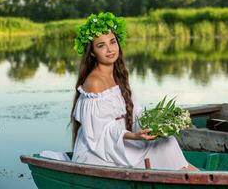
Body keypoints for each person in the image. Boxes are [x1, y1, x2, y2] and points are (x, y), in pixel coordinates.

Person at [70, 12, 197, 171]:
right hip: (102, 149)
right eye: (101, 45)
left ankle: (198, 177)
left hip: (122, 140)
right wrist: (135, 136)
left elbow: (135, 111)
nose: (110, 49)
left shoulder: (119, 75)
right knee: (166, 146)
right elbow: (100, 132)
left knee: (167, 141)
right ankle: (201, 179)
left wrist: (160, 125)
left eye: (112, 42)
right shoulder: (94, 83)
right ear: (92, 52)